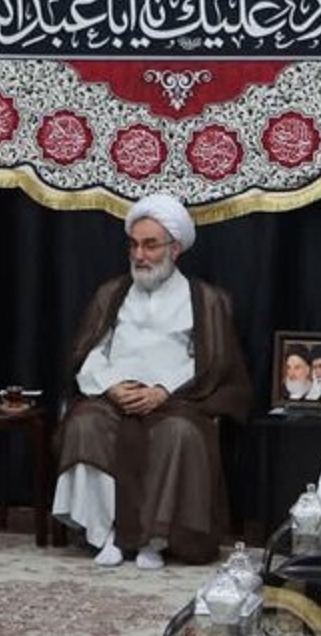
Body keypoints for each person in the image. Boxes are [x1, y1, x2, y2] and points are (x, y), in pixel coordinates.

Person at [51, 193, 252, 570]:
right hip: (112, 398)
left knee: (180, 434)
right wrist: (111, 385)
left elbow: (211, 362)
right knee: (84, 424)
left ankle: (154, 539)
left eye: (150, 245)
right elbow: (91, 350)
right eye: (134, 245)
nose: (139, 255)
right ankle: (106, 533)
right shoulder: (112, 294)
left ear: (175, 249)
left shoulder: (204, 299)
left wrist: (162, 391)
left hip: (177, 400)